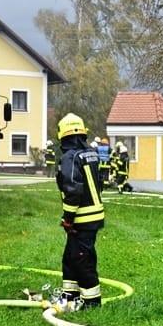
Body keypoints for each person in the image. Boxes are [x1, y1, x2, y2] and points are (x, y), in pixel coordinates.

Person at [55, 113, 105, 310]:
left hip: (82, 217)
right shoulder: (90, 153)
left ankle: (92, 302)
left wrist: (68, 218)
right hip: (92, 214)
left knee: (81, 258)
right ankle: (69, 296)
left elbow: (73, 189)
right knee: (70, 257)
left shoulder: (69, 157)